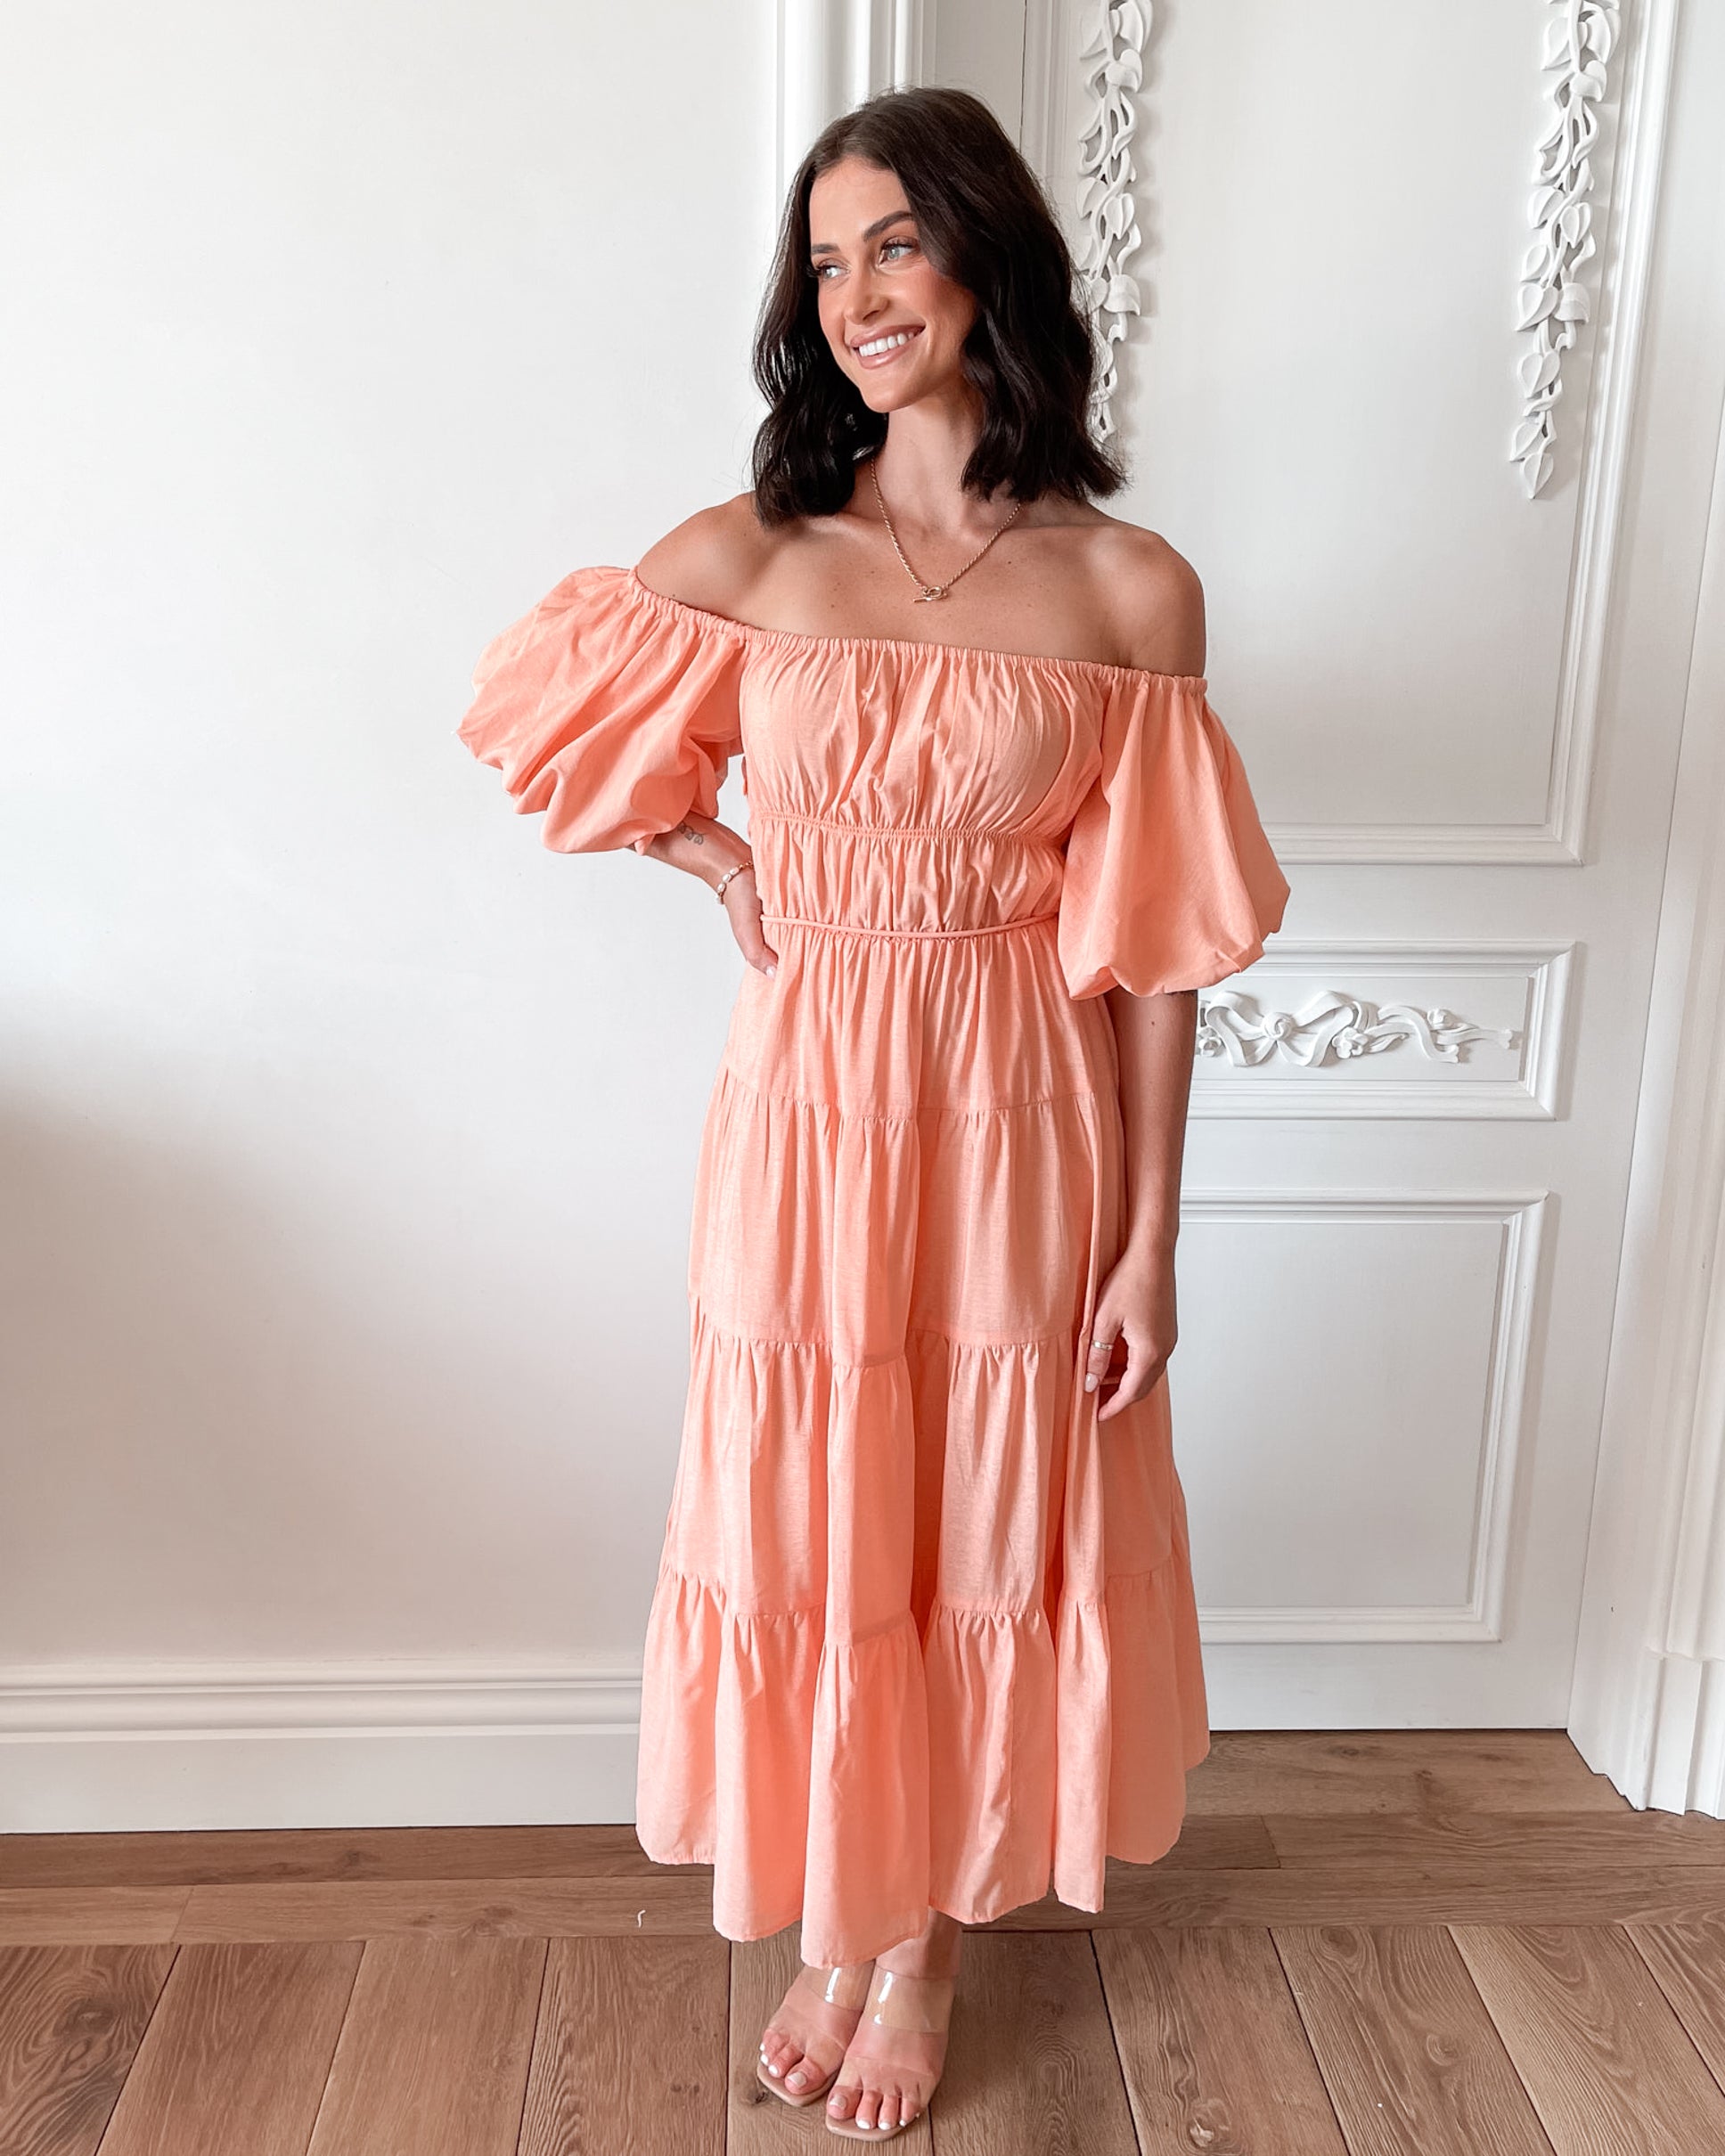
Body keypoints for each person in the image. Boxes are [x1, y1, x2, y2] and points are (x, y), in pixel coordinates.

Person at [458, 84, 1289, 2144]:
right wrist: (724, 864)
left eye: (889, 248)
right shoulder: (757, 553)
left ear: (985, 258)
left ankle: (911, 1946)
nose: (850, 299)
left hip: (1019, 1112)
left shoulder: (1126, 592)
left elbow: (1158, 953)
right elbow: (538, 726)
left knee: (979, 1510)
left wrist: (1153, 1238)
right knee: (811, 1507)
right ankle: (838, 1909)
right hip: (809, 1113)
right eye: (819, 265)